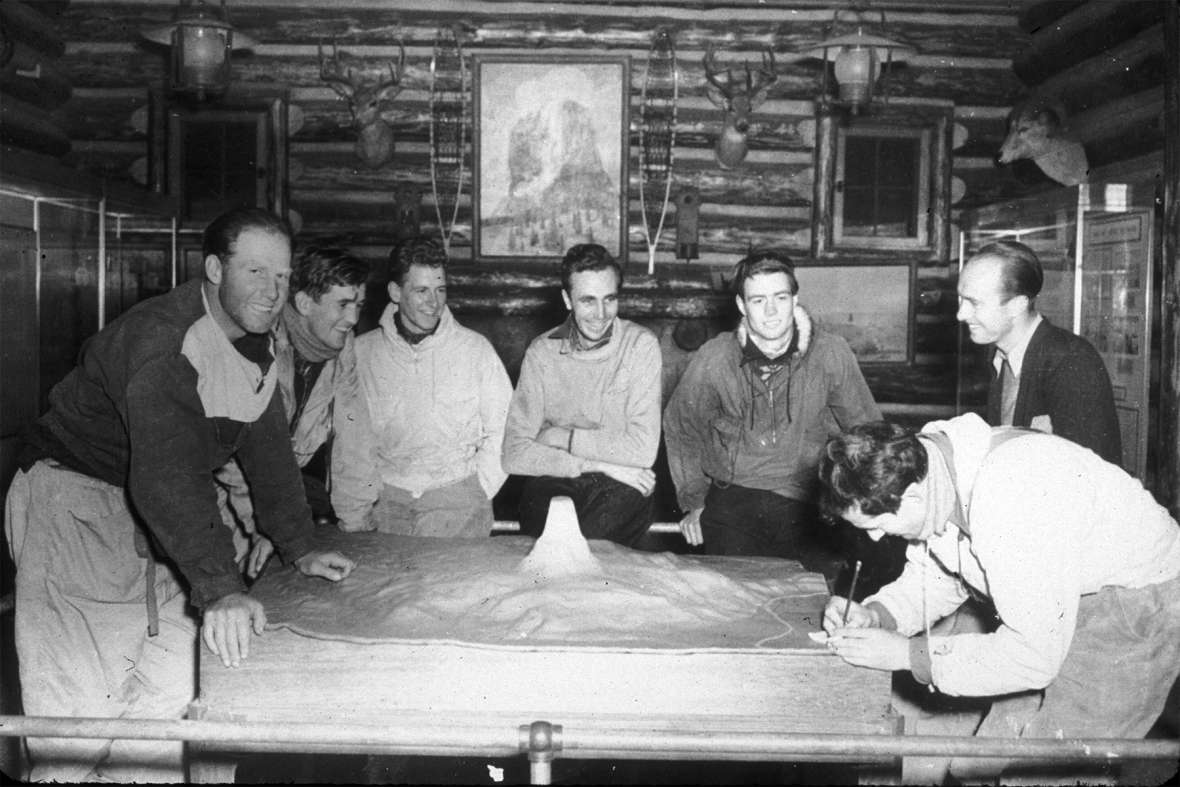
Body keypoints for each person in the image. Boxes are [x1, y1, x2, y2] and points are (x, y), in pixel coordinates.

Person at [3, 207, 356, 783]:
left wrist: (299, 543)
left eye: (283, 276)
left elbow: (265, 447)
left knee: (166, 705)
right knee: (79, 725)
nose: (272, 291)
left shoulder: (254, 341)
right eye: (256, 272)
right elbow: (167, 476)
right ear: (215, 269)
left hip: (165, 524)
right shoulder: (166, 342)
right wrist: (219, 589)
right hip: (78, 510)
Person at [817, 414, 1180, 784]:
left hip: (1132, 605)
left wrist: (906, 655)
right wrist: (879, 614)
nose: (877, 538)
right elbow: (940, 571)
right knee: (979, 764)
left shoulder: (1011, 498)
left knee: (1044, 771)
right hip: (1050, 597)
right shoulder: (930, 467)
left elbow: (1034, 656)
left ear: (911, 497)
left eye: (877, 525)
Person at [663, 250, 879, 577]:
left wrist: (863, 501)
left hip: (809, 499)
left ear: (795, 299)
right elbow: (681, 427)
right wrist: (694, 500)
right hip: (733, 498)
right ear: (741, 305)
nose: (771, 311)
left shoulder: (830, 352)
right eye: (758, 300)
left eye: (780, 297)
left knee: (810, 602)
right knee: (733, 604)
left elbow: (866, 431)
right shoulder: (716, 357)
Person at [215, 245, 373, 576]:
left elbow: (353, 440)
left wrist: (358, 529)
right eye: (342, 305)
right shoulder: (255, 342)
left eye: (358, 305)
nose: (353, 318)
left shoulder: (343, 350)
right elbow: (234, 456)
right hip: (222, 492)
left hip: (279, 495)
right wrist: (269, 530)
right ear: (303, 303)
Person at [348, 237, 512, 536]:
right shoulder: (362, 353)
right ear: (396, 292)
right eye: (421, 291)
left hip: (459, 503)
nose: (434, 303)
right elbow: (348, 440)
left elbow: (504, 428)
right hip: (384, 504)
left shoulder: (475, 350)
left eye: (440, 290)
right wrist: (367, 498)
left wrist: (480, 488)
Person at [502, 243, 661, 547]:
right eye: (588, 301)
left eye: (609, 300)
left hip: (622, 487)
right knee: (554, 542)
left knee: (589, 552)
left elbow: (642, 451)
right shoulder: (543, 351)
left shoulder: (641, 346)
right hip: (559, 477)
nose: (601, 315)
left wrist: (561, 437)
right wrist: (601, 463)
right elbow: (514, 453)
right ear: (567, 299)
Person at [958, 239, 1121, 464]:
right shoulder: (998, 357)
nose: (961, 314)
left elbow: (1093, 476)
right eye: (961, 299)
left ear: (1017, 305)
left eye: (973, 303)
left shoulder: (1071, 360)